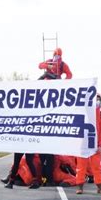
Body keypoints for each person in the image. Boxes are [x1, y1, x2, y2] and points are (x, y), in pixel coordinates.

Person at [37, 47, 72, 185]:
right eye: (55, 55)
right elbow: (40, 65)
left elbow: (70, 75)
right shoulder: (49, 62)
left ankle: (48, 178)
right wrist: (48, 65)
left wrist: (62, 82)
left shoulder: (63, 65)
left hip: (56, 90)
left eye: (58, 55)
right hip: (45, 89)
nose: (56, 57)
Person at [75, 93, 101, 195]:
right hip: (83, 144)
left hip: (95, 145)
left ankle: (100, 187)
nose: (97, 101)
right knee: (81, 167)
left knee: (96, 167)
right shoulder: (83, 112)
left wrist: (100, 145)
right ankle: (80, 187)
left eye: (99, 99)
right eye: (95, 99)